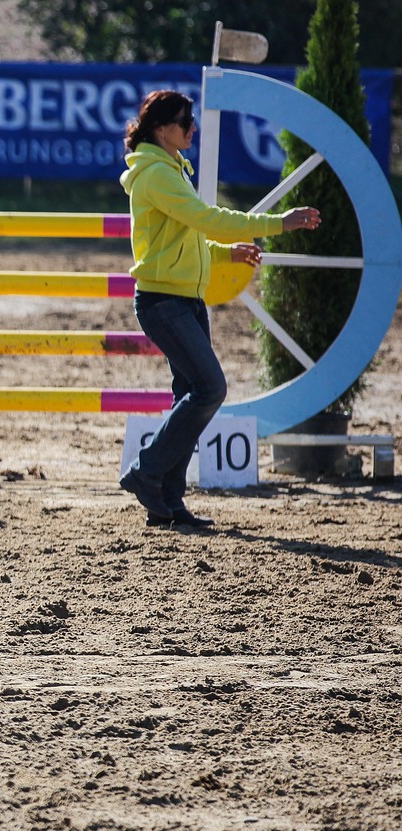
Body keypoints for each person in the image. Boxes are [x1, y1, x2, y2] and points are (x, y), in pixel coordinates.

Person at [118, 89, 321, 528]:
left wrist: (228, 254)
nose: (193, 128)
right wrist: (278, 223)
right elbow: (207, 218)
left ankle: (167, 504)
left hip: (185, 298)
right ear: (160, 128)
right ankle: (146, 471)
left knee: (187, 394)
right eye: (185, 121)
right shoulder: (157, 175)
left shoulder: (169, 168)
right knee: (210, 390)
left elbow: (184, 240)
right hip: (164, 302)